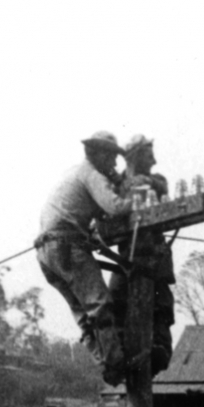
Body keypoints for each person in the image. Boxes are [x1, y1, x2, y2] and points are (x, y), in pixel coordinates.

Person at [35, 130, 132, 386]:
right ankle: (115, 363)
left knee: (82, 312)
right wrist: (135, 195)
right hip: (66, 245)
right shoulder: (92, 174)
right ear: (99, 154)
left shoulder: (73, 173)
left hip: (46, 252)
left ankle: (106, 364)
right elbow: (115, 207)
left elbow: (91, 215)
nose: (113, 164)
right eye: (111, 158)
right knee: (99, 305)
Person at [108, 134, 174, 376]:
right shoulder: (117, 183)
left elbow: (161, 186)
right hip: (127, 257)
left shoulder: (155, 180)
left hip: (154, 255)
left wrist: (138, 183)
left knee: (161, 306)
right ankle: (123, 355)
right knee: (114, 300)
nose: (154, 160)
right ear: (135, 156)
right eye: (148, 154)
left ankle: (159, 350)